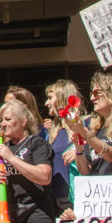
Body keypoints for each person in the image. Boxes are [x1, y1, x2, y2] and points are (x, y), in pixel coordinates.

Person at [63, 72, 112, 176]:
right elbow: (85, 171)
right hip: (99, 189)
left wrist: (84, 132)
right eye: (91, 93)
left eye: (96, 93)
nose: (92, 98)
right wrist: (79, 149)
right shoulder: (96, 129)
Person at [42, 80, 82, 210]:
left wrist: (78, 152)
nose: (46, 103)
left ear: (62, 98)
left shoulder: (83, 126)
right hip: (54, 197)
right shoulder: (52, 132)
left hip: (75, 197)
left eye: (50, 98)